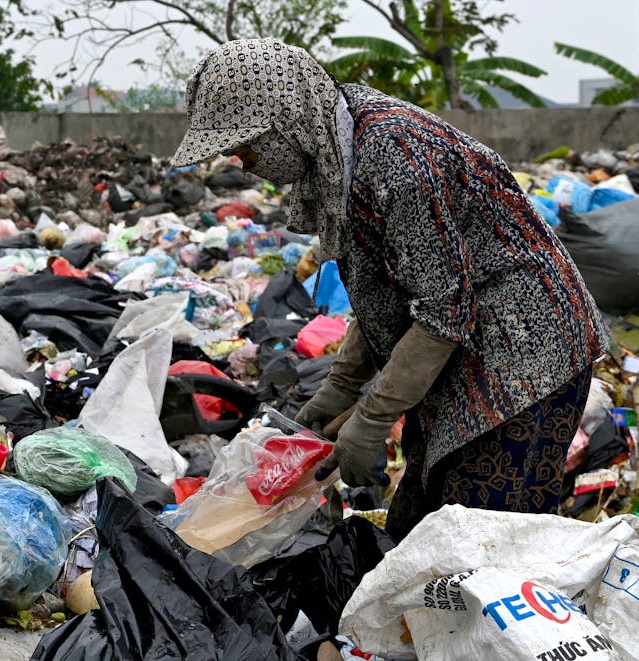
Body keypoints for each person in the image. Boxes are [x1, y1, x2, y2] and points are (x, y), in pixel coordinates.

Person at [171, 38, 609, 541]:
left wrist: (374, 418)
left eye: (245, 145)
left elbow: (442, 309)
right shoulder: (339, 150)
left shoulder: (396, 157)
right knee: (416, 530)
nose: (242, 161)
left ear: (287, 122)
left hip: (526, 350)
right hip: (465, 344)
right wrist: (341, 388)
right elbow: (385, 292)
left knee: (485, 541)